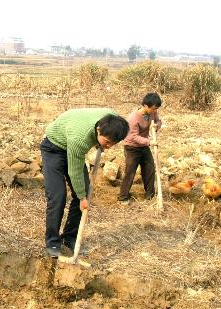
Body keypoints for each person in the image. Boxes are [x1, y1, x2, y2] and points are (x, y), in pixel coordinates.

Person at [41, 108, 129, 258]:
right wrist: (82, 198)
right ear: (98, 130)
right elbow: (74, 171)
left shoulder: (112, 119)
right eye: (107, 142)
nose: (109, 146)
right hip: (54, 148)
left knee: (84, 192)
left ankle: (69, 238)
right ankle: (53, 242)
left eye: (113, 144)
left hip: (73, 138)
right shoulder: (80, 139)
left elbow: (114, 122)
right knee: (58, 195)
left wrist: (101, 143)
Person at [118, 92, 162, 204]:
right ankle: (123, 197)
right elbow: (133, 136)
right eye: (153, 108)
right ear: (146, 106)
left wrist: (157, 125)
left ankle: (150, 196)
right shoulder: (133, 118)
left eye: (156, 109)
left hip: (144, 146)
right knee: (130, 172)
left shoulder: (153, 112)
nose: (155, 111)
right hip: (132, 147)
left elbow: (158, 121)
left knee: (150, 169)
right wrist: (149, 142)